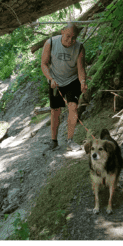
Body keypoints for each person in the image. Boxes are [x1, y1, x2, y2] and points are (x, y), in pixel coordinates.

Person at [41, 22, 87, 151]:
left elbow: (81, 69)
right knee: (55, 111)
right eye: (67, 36)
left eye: (74, 38)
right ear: (62, 32)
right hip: (55, 80)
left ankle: (70, 141)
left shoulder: (79, 48)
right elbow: (44, 64)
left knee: (73, 107)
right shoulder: (50, 42)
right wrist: (50, 79)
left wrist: (83, 82)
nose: (70, 40)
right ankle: (54, 141)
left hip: (72, 80)